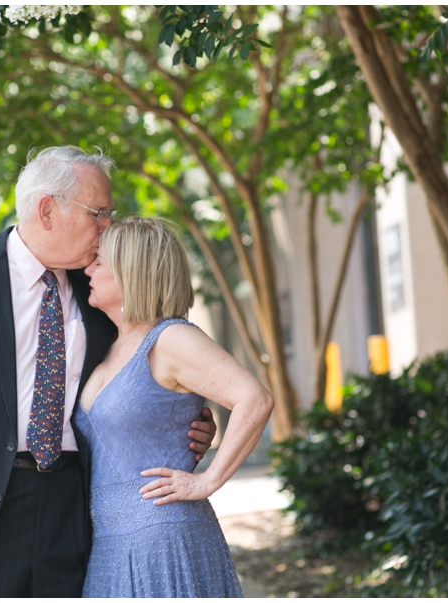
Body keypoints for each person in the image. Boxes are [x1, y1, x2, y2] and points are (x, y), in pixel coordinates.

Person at [0, 146, 216, 597]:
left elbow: (140, 377)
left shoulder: (100, 297)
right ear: (47, 210)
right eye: (99, 213)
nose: (107, 226)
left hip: (68, 513)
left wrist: (185, 418)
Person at [76, 217, 274, 598]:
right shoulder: (111, 344)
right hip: (108, 546)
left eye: (98, 261)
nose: (88, 269)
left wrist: (208, 480)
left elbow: (255, 399)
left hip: (163, 540)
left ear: (130, 270)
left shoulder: (171, 338)